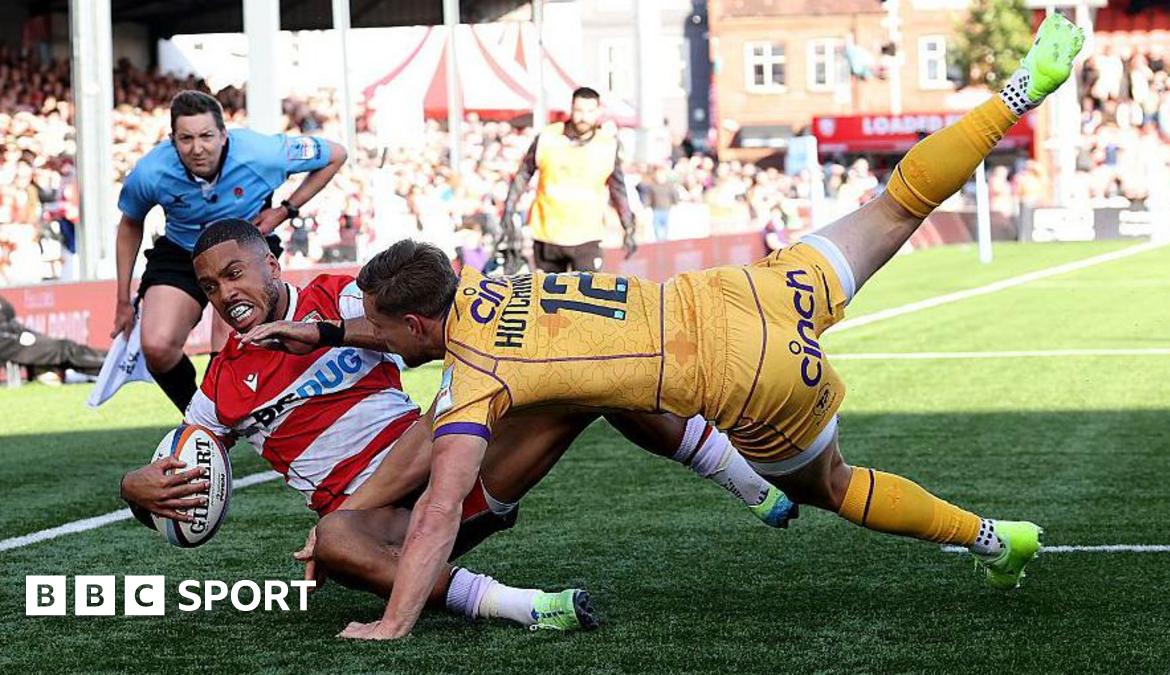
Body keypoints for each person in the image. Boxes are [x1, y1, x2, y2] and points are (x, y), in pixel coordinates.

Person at [245, 14, 1084, 640]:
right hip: (754, 291)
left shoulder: (474, 376)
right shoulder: (498, 281)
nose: (376, 334)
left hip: (750, 378)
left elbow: (435, 513)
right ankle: (1020, 88)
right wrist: (326, 337)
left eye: (383, 328)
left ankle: (988, 536)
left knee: (829, 485)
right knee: (898, 200)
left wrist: (392, 621)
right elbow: (411, 326)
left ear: (422, 321)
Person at [125, 219, 796, 630]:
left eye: (235, 273)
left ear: (271, 262)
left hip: (452, 453)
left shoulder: (339, 293)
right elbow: (187, 460)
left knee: (585, 374)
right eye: (211, 287)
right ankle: (524, 606)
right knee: (333, 538)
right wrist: (136, 488)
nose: (226, 294)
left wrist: (325, 332)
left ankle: (743, 478)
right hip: (385, 522)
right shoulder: (218, 384)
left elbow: (431, 313)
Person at [111, 90, 347, 413]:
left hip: (243, 248)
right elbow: (129, 225)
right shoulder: (150, 172)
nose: (198, 148)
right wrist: (123, 299)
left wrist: (286, 209)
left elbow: (336, 153)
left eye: (207, 136)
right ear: (172, 140)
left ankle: (230, 414)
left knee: (230, 343)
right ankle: (199, 417)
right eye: (186, 139)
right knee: (156, 345)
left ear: (224, 134)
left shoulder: (262, 153)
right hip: (182, 251)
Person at [498, 87, 637, 275]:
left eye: (589, 111)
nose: (583, 117)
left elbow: (618, 188)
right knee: (549, 300)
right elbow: (524, 173)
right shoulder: (548, 137)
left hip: (587, 236)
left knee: (588, 300)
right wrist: (509, 208)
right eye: (579, 110)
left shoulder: (607, 145)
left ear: (598, 112)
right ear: (571, 109)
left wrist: (628, 227)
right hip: (548, 234)